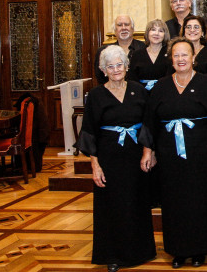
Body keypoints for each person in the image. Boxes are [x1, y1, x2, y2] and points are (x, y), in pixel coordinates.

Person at [142, 38, 207, 269]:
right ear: (171, 58)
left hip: (201, 152)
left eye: (185, 55)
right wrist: (148, 151)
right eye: (176, 55)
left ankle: (201, 249)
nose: (181, 59)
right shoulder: (160, 86)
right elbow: (150, 121)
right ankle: (178, 250)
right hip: (169, 154)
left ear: (193, 58)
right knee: (174, 201)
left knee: (201, 199)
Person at [76, 46, 156, 272]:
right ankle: (113, 255)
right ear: (103, 70)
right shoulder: (96, 95)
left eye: (119, 65)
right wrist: (95, 164)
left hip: (136, 155)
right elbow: (89, 130)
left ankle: (141, 251)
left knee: (137, 202)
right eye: (110, 66)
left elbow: (149, 122)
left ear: (126, 66)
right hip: (109, 157)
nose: (115, 70)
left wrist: (148, 151)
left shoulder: (139, 91)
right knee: (112, 206)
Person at [94, 14, 145, 84]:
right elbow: (100, 77)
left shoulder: (144, 48)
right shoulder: (103, 51)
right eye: (119, 25)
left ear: (132, 28)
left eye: (127, 24)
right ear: (115, 30)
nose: (123, 28)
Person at [127, 19, 171, 90]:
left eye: (161, 31)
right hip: (141, 94)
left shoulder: (170, 54)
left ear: (165, 35)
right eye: (153, 30)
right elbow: (132, 79)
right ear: (147, 33)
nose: (156, 33)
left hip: (165, 93)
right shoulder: (137, 55)